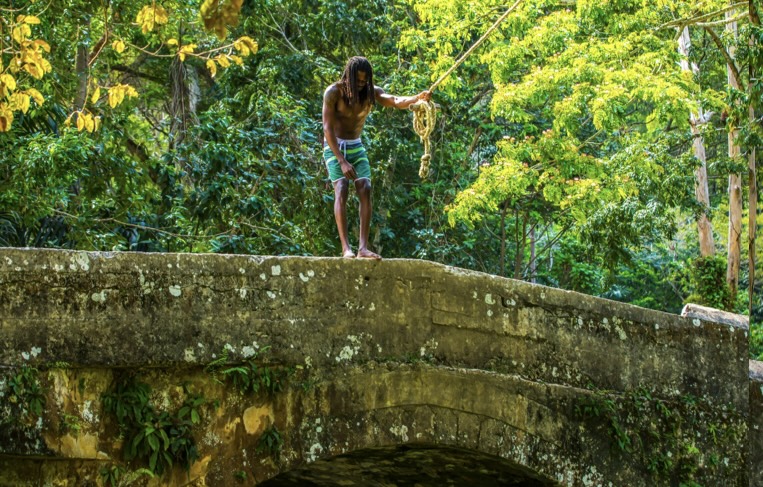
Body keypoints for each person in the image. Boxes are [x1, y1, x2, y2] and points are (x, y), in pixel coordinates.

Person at [322, 56, 431, 259]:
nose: (362, 84)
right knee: (342, 189)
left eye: (365, 81)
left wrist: (417, 98)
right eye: (358, 81)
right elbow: (327, 128)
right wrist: (341, 160)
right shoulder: (333, 93)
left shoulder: (371, 93)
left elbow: (395, 101)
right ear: (349, 77)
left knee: (365, 188)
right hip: (334, 147)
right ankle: (346, 248)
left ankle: (363, 248)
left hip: (356, 146)